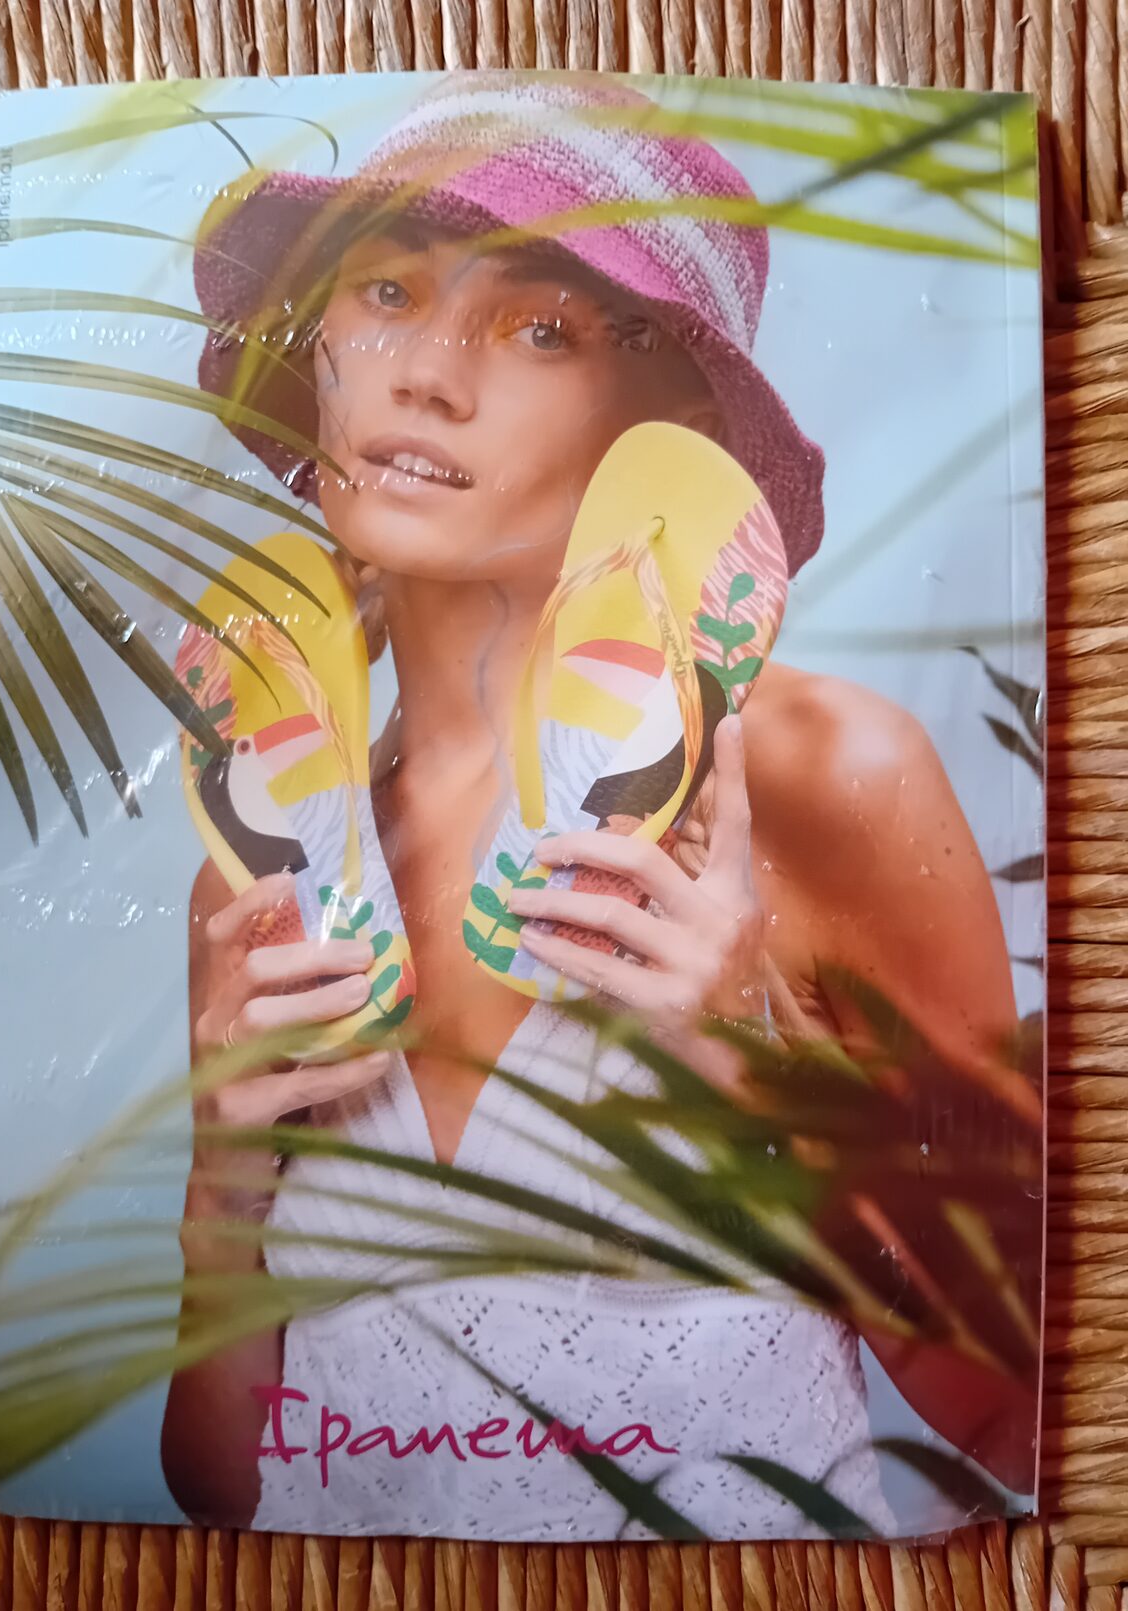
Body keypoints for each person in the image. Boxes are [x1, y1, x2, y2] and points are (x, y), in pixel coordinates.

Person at [161, 75, 1039, 1538]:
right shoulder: (269, 853)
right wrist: (222, 1196)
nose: (424, 376)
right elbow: (229, 1490)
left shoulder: (823, 779)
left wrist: (754, 1091)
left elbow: (1026, 1413)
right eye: (388, 291)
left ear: (673, 421)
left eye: (542, 330)